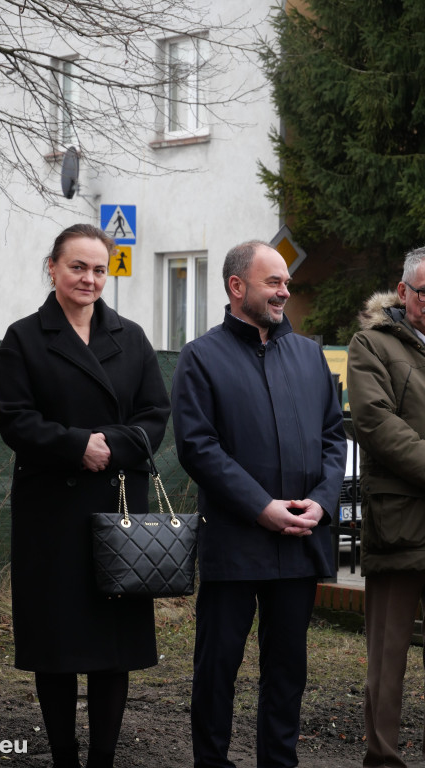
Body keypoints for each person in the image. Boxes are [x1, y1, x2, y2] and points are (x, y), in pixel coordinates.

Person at [0, 223, 170, 768]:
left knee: (112, 649)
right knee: (58, 646)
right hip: (52, 514)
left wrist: (108, 448)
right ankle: (64, 757)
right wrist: (75, 447)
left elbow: (155, 416)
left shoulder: (131, 336)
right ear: (53, 267)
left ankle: (103, 760)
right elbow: (15, 420)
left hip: (117, 508)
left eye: (99, 269)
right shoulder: (24, 338)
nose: (89, 279)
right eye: (77, 267)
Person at [172, 240, 347, 768]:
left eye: (286, 283)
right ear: (237, 286)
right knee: (217, 667)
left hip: (298, 543)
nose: (285, 291)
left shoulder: (310, 354)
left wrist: (321, 502)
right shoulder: (200, 357)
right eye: (274, 282)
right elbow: (197, 447)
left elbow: (334, 439)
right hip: (235, 543)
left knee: (288, 670)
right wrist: (260, 506)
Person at [347, 247, 425, 768]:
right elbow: (376, 424)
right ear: (403, 293)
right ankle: (384, 758)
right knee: (388, 656)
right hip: (400, 521)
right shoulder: (369, 344)